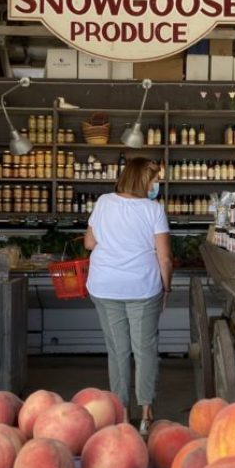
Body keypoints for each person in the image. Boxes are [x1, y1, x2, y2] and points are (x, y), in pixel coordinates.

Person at [84, 157, 172, 435]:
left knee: (118, 351)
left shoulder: (103, 202)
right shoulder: (153, 210)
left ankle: (121, 414)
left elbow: (89, 242)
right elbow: (165, 257)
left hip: (105, 285)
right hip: (142, 289)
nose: (157, 185)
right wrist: (166, 287)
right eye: (154, 180)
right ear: (142, 180)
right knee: (145, 350)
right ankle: (146, 414)